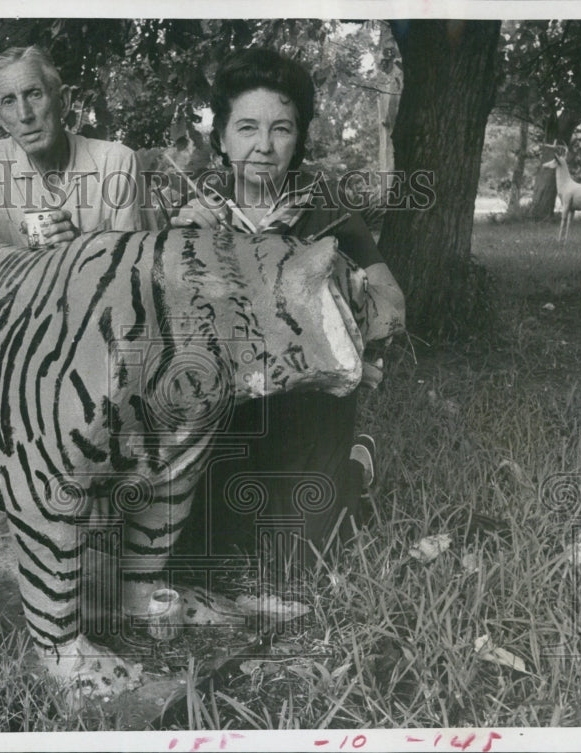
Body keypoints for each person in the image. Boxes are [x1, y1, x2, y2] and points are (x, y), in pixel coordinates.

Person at [171, 48, 406, 560]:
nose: (263, 146)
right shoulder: (198, 209)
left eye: (281, 129)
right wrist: (183, 249)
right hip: (224, 408)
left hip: (308, 406)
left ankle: (352, 463)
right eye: (247, 127)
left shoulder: (325, 206)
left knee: (299, 557)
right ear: (222, 136)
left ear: (298, 139)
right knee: (203, 546)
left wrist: (344, 300)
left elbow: (392, 305)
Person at [0, 46, 154, 245]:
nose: (24, 114)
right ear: (0, 120)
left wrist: (82, 247)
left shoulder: (117, 163)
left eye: (34, 94)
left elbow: (140, 267)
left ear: (63, 101)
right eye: (9, 101)